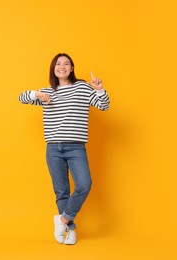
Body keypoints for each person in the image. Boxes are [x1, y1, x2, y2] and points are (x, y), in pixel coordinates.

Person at [18, 53, 110, 245]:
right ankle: (71, 231)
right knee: (61, 192)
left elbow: (103, 106)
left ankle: (62, 220)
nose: (62, 66)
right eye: (58, 64)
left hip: (76, 147)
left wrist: (100, 90)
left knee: (84, 184)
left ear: (72, 68)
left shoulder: (82, 87)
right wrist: (37, 94)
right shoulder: (47, 91)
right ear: (53, 68)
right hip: (53, 148)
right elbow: (21, 97)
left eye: (66, 64)